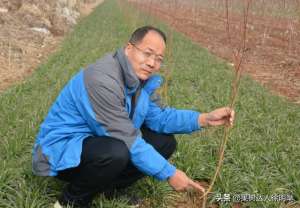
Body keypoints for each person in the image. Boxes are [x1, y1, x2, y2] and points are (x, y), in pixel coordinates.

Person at [32, 25, 235, 208]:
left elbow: (161, 118)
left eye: (158, 59)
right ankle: (70, 201)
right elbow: (126, 139)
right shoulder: (102, 80)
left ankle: (108, 189)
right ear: (129, 48)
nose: (152, 63)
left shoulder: (139, 82)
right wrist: (170, 173)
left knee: (164, 142)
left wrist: (204, 119)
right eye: (147, 53)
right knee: (116, 151)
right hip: (64, 151)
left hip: (99, 142)